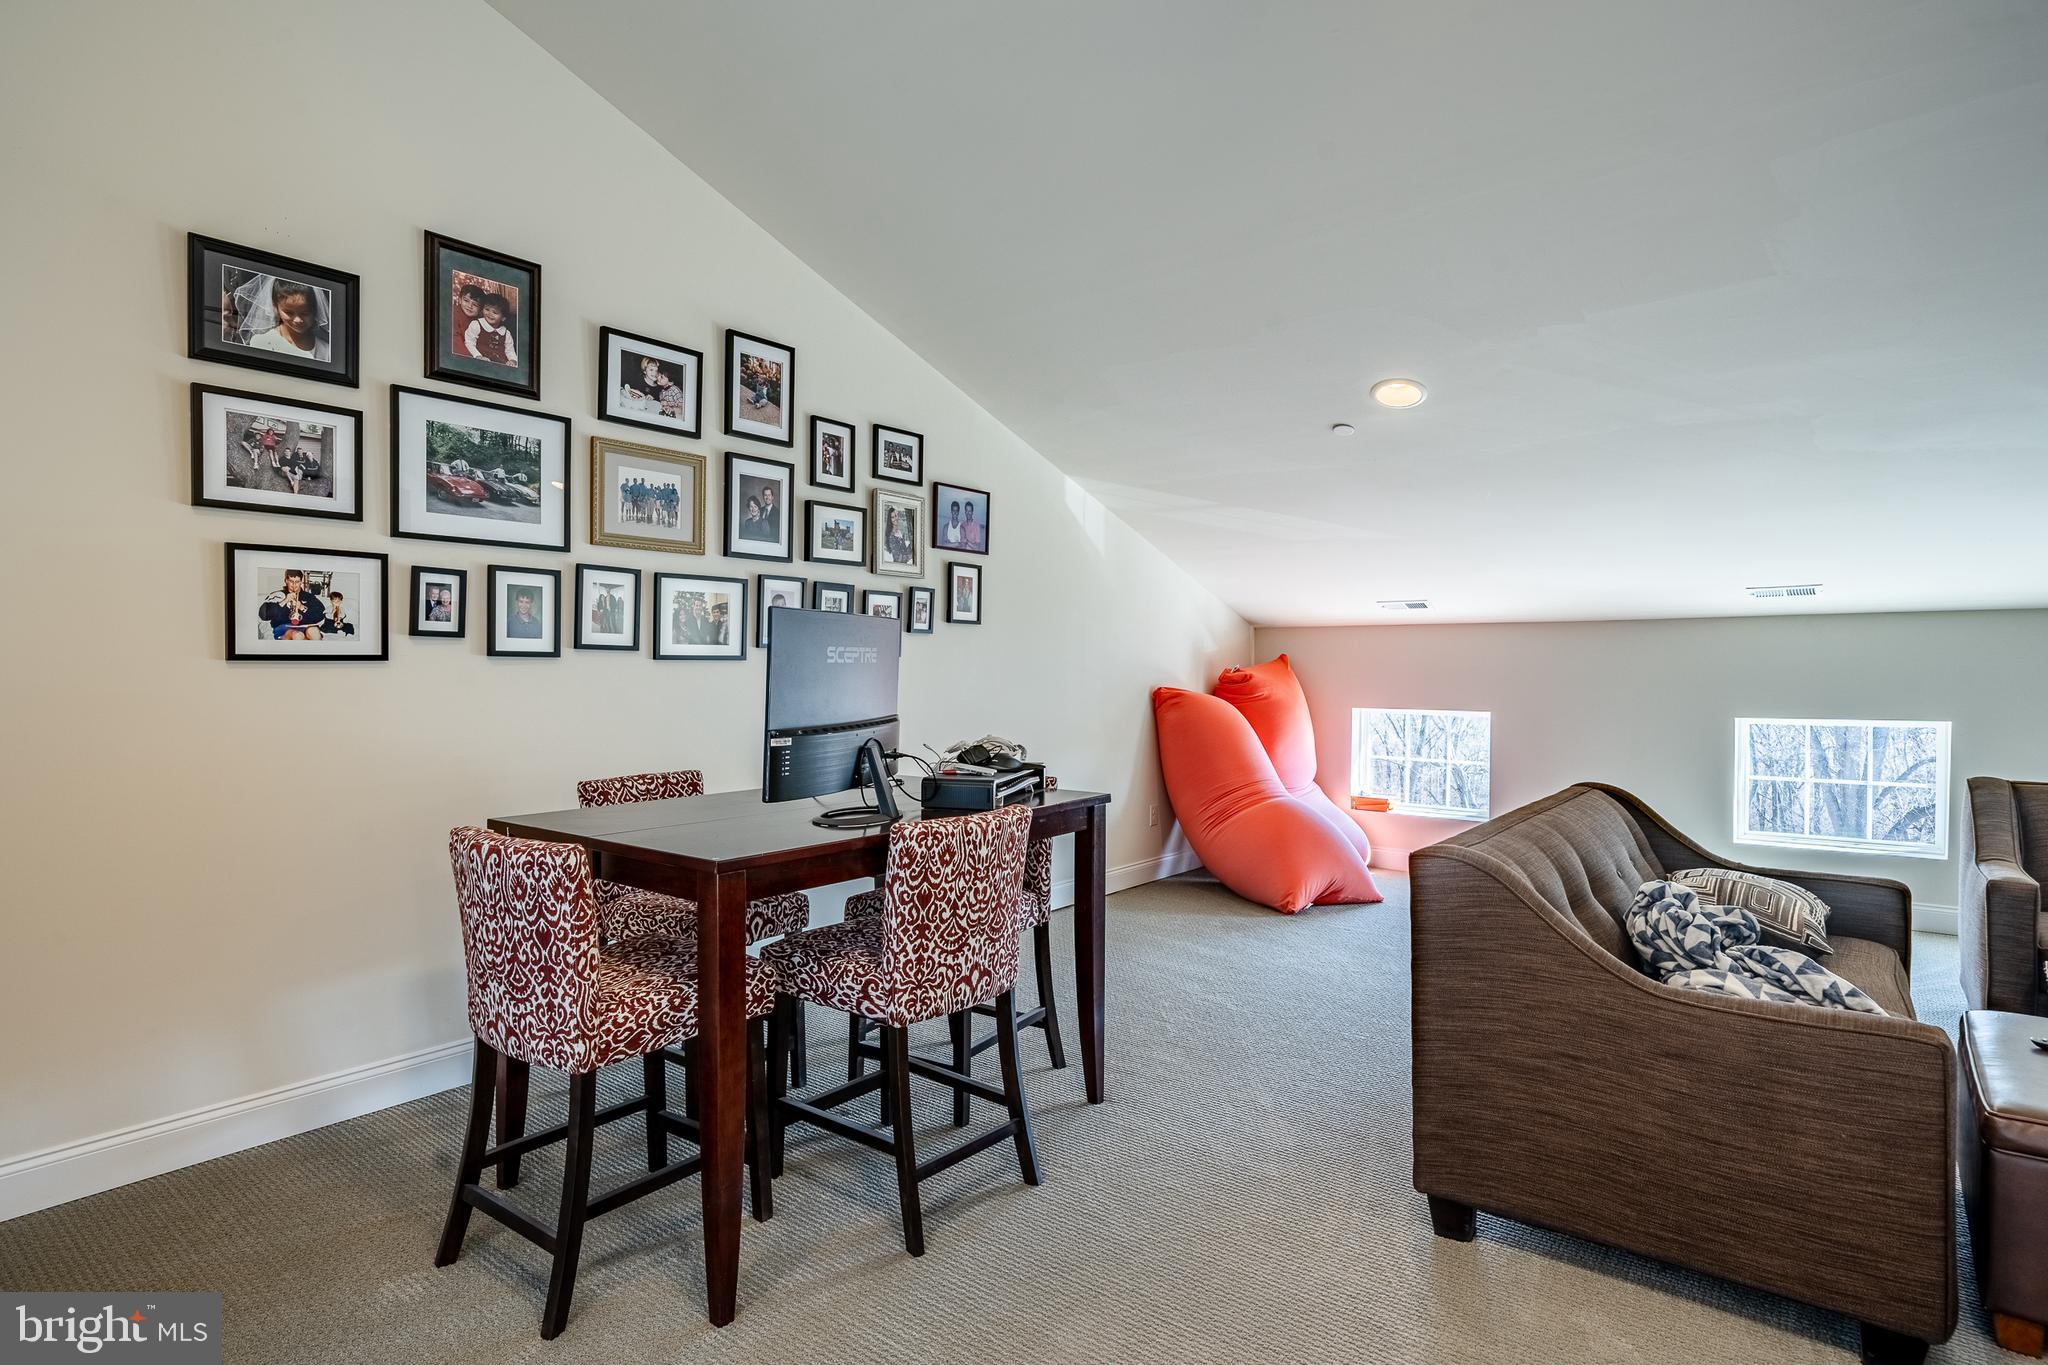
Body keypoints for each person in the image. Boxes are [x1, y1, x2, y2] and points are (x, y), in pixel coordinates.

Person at [240, 277, 330, 361]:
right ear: (275, 308)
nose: (297, 320)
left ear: (316, 310)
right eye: (289, 313)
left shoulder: (326, 352)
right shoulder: (262, 342)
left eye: (305, 313)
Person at [258, 569, 326, 640]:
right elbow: (263, 615)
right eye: (291, 581)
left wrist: (302, 607)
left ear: (301, 582)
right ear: (286, 581)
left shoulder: (309, 597)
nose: (294, 585)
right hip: (285, 629)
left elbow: (321, 614)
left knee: (314, 631)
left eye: (297, 582)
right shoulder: (277, 595)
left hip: (305, 627)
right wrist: (284, 601)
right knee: (297, 635)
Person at [464, 292, 516, 368]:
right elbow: (469, 342)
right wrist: (478, 356)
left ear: (503, 318)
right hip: (480, 363)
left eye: (495, 312)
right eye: (487, 309)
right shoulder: (477, 324)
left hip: (500, 366)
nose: (489, 314)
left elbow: (510, 350)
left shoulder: (506, 333)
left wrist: (512, 360)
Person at [449, 283, 483, 357]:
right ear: (460, 300)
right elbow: (454, 339)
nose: (470, 306)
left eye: (475, 304)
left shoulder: (480, 320)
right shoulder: (453, 313)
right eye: (466, 300)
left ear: (480, 309)